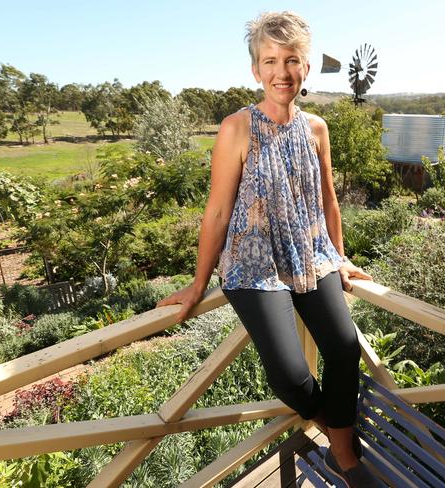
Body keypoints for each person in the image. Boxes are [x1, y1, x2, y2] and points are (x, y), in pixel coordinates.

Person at [157, 11, 380, 487]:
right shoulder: (237, 127)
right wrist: (198, 282)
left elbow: (327, 201)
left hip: (309, 254)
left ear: (306, 67)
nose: (282, 72)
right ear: (256, 70)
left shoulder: (316, 128)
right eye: (270, 61)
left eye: (292, 60)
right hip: (253, 262)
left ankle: (341, 450)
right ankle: (341, 440)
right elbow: (217, 212)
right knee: (288, 374)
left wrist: (338, 256)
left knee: (343, 349)